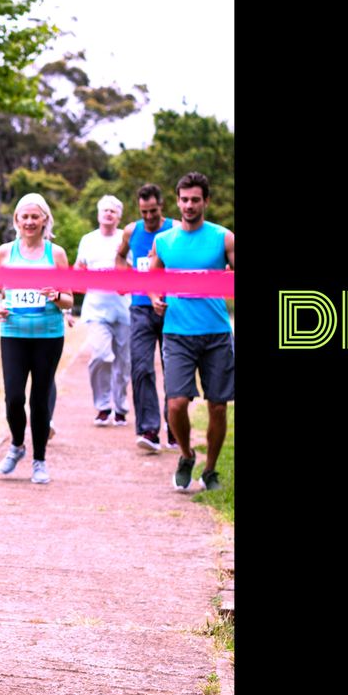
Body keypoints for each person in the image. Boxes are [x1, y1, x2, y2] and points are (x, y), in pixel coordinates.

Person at [151, 172, 235, 491]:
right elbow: (153, 279)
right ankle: (186, 455)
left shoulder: (223, 238)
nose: (189, 205)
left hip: (215, 333)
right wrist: (156, 298)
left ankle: (210, 470)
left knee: (217, 405)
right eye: (184, 200)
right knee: (176, 403)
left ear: (206, 202)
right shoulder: (165, 241)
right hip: (177, 333)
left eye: (195, 200)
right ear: (177, 201)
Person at [0, 194, 72, 484]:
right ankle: (16, 445)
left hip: (49, 335)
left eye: (35, 216)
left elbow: (70, 300)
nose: (29, 222)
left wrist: (56, 296)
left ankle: (39, 460)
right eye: (24, 217)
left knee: (39, 400)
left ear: (45, 220)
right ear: (16, 221)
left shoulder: (56, 254)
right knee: (13, 397)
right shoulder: (5, 252)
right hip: (13, 333)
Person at [115, 183, 176, 452]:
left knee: (173, 368)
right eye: (144, 212)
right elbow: (119, 256)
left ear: (161, 206)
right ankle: (149, 430)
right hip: (140, 307)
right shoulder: (132, 230)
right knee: (141, 367)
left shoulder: (174, 230)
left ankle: (174, 428)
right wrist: (123, 278)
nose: (149, 217)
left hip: (172, 307)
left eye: (153, 211)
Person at [74, 195, 131, 426]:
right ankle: (103, 406)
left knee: (124, 362)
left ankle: (121, 407)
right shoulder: (88, 240)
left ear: (119, 216)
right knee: (100, 355)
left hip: (124, 309)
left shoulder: (125, 240)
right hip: (96, 309)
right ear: (98, 214)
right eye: (105, 210)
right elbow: (79, 267)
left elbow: (135, 269)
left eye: (113, 211)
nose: (108, 214)